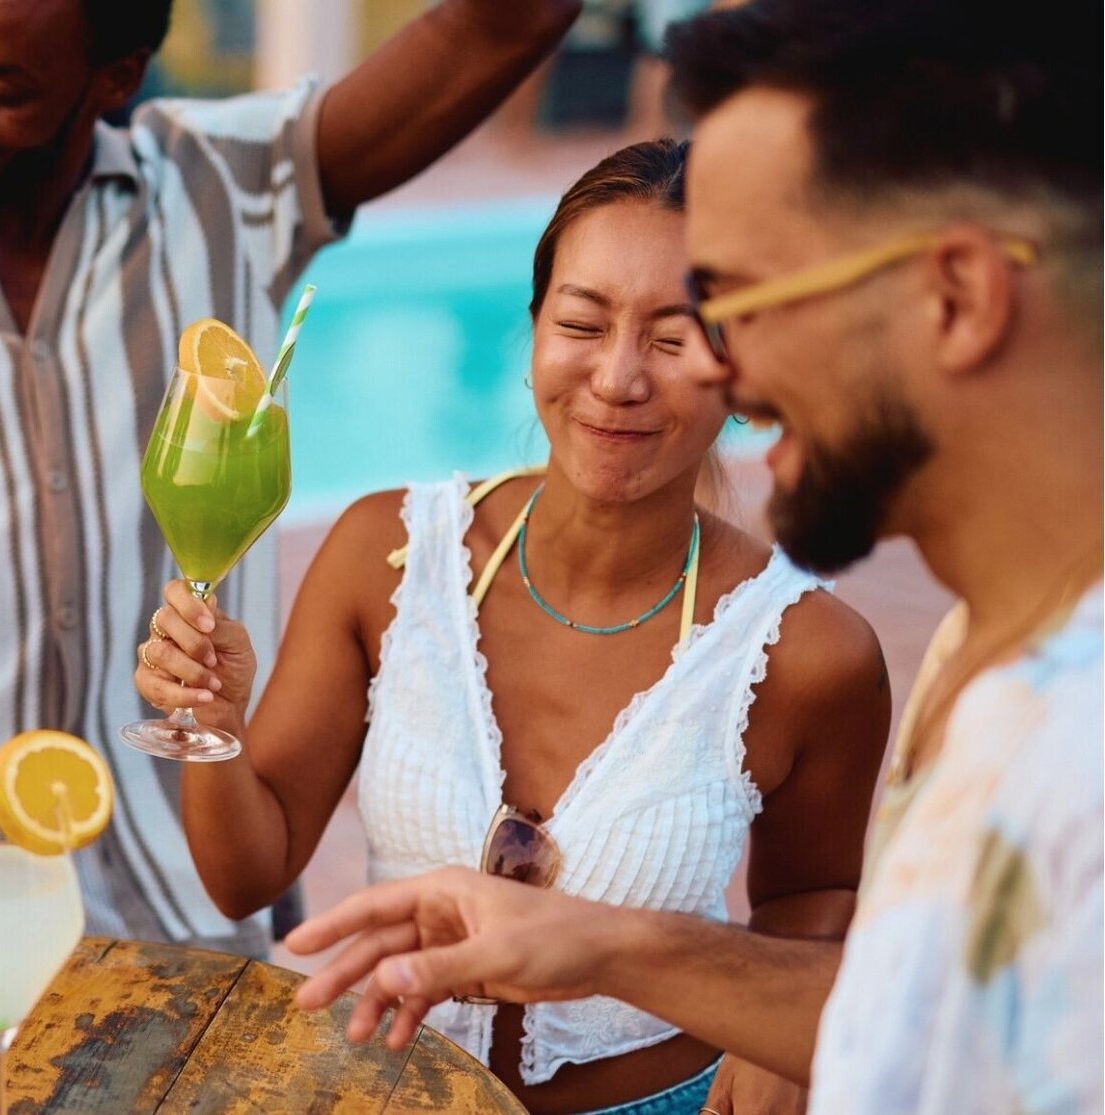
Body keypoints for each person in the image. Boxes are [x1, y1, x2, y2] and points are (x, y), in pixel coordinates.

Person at [0, 0, 584, 958]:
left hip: (188, 910)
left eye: (0, 87)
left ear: (113, 79)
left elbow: (511, 22)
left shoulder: (228, 185)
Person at [282, 3, 1102, 1113]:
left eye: (736, 302)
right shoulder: (987, 659)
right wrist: (614, 947)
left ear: (953, 298)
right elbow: (929, 1012)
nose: (718, 373)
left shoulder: (1073, 743)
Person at [135, 139, 888, 1115]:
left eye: (671, 336)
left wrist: (778, 1041)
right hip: (382, 1094)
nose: (617, 377)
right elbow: (244, 874)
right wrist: (213, 721)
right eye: (581, 321)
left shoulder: (808, 651)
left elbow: (814, 897)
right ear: (534, 329)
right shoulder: (385, 552)